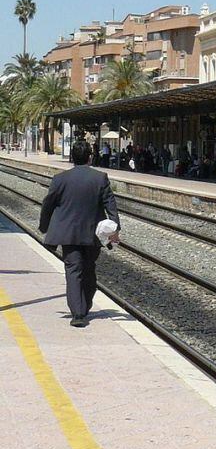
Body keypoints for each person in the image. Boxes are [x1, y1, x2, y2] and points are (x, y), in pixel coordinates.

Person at [38, 140, 120, 328]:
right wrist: (115, 230)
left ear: (72, 158)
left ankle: (78, 313)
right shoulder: (100, 178)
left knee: (73, 271)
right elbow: (111, 205)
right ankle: (85, 306)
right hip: (93, 235)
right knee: (89, 269)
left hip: (69, 235)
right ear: (90, 157)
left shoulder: (60, 179)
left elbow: (48, 204)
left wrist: (45, 227)